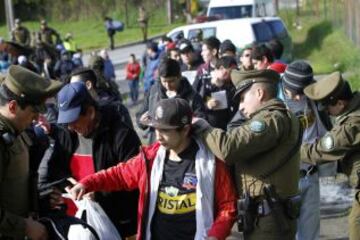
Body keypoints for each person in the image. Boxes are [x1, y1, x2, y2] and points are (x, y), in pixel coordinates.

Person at [70, 98, 237, 240]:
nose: (158, 136)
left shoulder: (211, 162)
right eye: (156, 129)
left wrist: (216, 235)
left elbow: (227, 205)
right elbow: (119, 175)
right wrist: (87, 183)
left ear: (185, 130)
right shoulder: (150, 158)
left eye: (165, 130)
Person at [195, 69, 301, 239]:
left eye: (243, 99)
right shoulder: (279, 116)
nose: (241, 107)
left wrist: (203, 128)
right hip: (265, 215)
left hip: (269, 219)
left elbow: (228, 148)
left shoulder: (271, 119)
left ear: (259, 93)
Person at [38, 82, 141, 239]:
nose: (71, 127)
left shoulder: (121, 135)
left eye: (74, 120)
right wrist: (60, 189)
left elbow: (135, 179)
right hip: (77, 223)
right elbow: (56, 169)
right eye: (66, 122)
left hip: (117, 225)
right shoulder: (67, 134)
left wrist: (97, 192)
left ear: (91, 112)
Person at [0, 65, 63, 240]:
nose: (37, 119)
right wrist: (25, 227)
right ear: (13, 107)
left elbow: (15, 187)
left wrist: (43, 198)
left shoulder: (16, 132)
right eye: (33, 112)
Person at [300, 72, 360, 240]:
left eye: (327, 107)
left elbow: (320, 151)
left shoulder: (351, 125)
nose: (326, 112)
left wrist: (291, 149)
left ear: (340, 103)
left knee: (356, 226)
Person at [280, 61, 332, 240]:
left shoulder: (316, 98)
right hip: (283, 181)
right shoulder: (272, 99)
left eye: (302, 93)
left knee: (310, 236)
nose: (298, 98)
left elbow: (326, 129)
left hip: (310, 175)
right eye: (294, 93)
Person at [136, 58, 206, 144]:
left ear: (179, 76)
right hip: (157, 144)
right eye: (164, 81)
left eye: (171, 81)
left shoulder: (192, 96)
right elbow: (140, 116)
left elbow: (201, 122)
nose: (167, 85)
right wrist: (142, 121)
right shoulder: (153, 92)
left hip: (183, 146)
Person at [204, 56, 237, 130]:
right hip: (211, 127)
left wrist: (222, 87)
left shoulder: (234, 83)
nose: (235, 74)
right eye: (232, 71)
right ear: (222, 69)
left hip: (230, 125)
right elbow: (198, 103)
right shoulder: (205, 82)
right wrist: (208, 105)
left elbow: (234, 102)